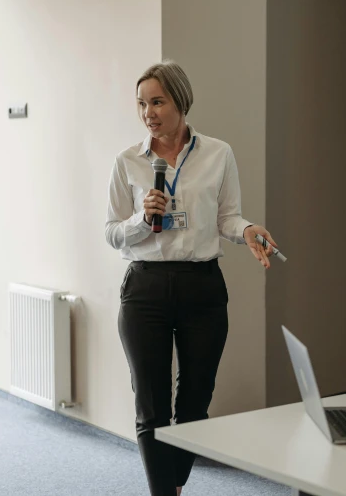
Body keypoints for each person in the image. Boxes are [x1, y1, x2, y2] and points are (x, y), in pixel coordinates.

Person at [105, 60, 278, 496]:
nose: (149, 112)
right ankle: (165, 492)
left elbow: (228, 218)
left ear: (180, 101)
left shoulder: (218, 153)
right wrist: (142, 220)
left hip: (202, 286)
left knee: (195, 405)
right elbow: (111, 232)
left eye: (158, 101)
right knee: (151, 408)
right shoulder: (127, 161)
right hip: (144, 289)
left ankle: (172, 483)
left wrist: (248, 231)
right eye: (142, 103)